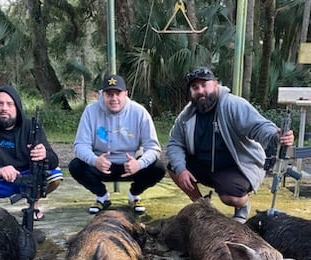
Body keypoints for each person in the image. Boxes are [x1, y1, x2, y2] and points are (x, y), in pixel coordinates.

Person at [166, 66, 295, 223]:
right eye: (195, 87)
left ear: (215, 84)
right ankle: (201, 206)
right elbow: (174, 142)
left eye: (204, 85)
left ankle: (243, 205)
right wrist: (182, 169)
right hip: (205, 165)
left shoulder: (232, 104)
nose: (200, 91)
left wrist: (276, 136)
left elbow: (258, 126)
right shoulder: (187, 114)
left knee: (231, 197)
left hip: (236, 167)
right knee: (174, 167)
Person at [69, 74, 165, 214]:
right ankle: (102, 197)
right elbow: (80, 146)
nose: (114, 99)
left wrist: (139, 164)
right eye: (109, 94)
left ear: (126, 94)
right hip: (102, 166)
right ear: (102, 95)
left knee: (158, 167)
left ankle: (134, 195)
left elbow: (154, 148)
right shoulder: (90, 111)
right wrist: (95, 160)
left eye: (118, 93)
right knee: (75, 166)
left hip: (130, 166)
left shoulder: (140, 112)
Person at [0, 85, 63, 220]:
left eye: (9, 104)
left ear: (17, 107)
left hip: (26, 178)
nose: (4, 108)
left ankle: (33, 205)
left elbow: (54, 160)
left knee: (56, 175)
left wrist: (44, 154)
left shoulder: (31, 127)